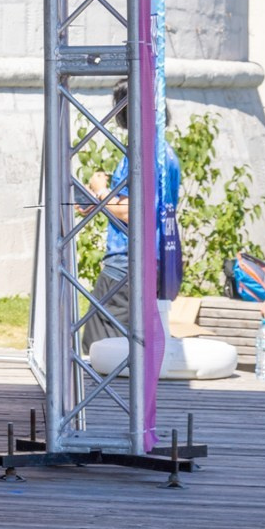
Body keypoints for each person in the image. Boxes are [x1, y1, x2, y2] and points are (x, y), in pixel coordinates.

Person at [85, 79, 182, 349]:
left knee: (101, 348)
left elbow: (132, 213)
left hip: (125, 266)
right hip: (156, 263)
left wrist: (101, 192)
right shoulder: (167, 154)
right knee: (136, 349)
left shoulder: (139, 155)